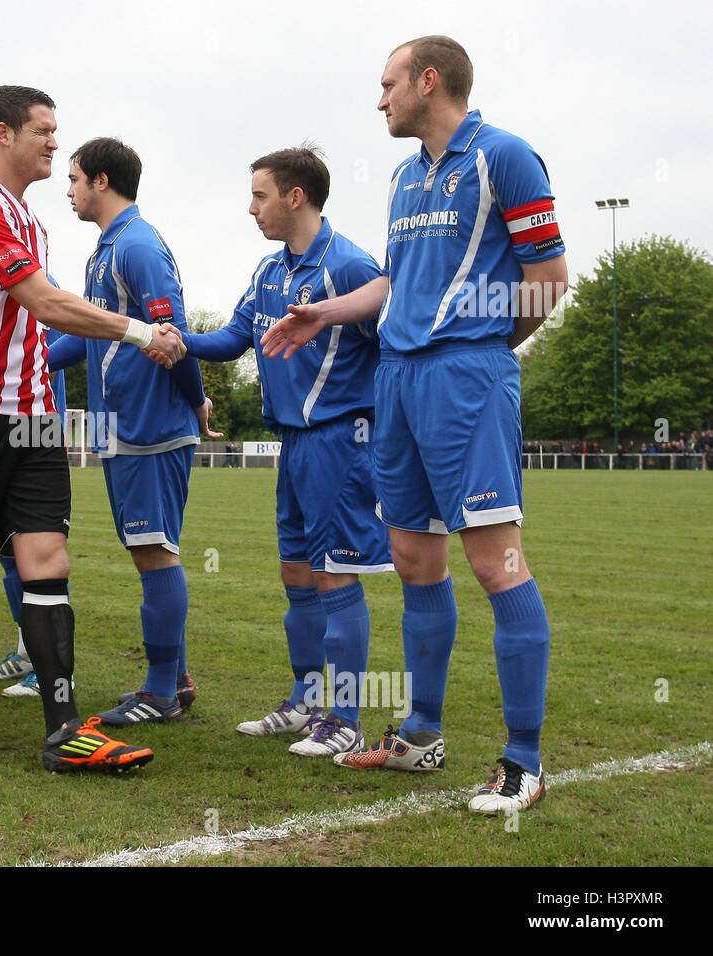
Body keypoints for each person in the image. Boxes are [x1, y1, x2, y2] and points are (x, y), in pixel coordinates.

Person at [262, 36, 568, 813]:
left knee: (496, 563)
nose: (381, 99)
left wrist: (475, 352)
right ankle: (422, 733)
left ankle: (523, 761)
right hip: (394, 383)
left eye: (390, 84)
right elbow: (400, 283)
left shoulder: (505, 156)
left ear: (428, 82)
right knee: (412, 558)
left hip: (463, 380)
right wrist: (325, 312)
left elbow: (547, 280)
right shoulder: (404, 176)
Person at [0, 85, 185, 770]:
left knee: (47, 562)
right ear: (4, 134)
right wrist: (137, 331)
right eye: (43, 131)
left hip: (33, 418)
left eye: (57, 133)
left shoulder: (28, 221)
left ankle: (65, 730)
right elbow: (43, 301)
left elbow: (40, 322)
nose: (54, 144)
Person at [173, 146, 392, 757]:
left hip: (341, 441)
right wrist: (172, 339)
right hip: (293, 443)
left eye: (260, 195)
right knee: (297, 572)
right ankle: (307, 700)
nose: (251, 208)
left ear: (296, 196)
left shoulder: (351, 266)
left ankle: (346, 717)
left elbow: (392, 344)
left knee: (334, 573)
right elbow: (231, 340)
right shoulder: (269, 271)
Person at [44, 136, 211, 726]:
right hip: (122, 430)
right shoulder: (106, 249)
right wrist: (25, 359)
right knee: (149, 550)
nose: (67, 191)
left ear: (102, 180)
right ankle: (176, 678)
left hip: (150, 428)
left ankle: (162, 691)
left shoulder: (137, 245)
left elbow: (175, 337)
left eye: (73, 180)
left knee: (154, 552)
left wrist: (196, 401)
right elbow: (91, 333)